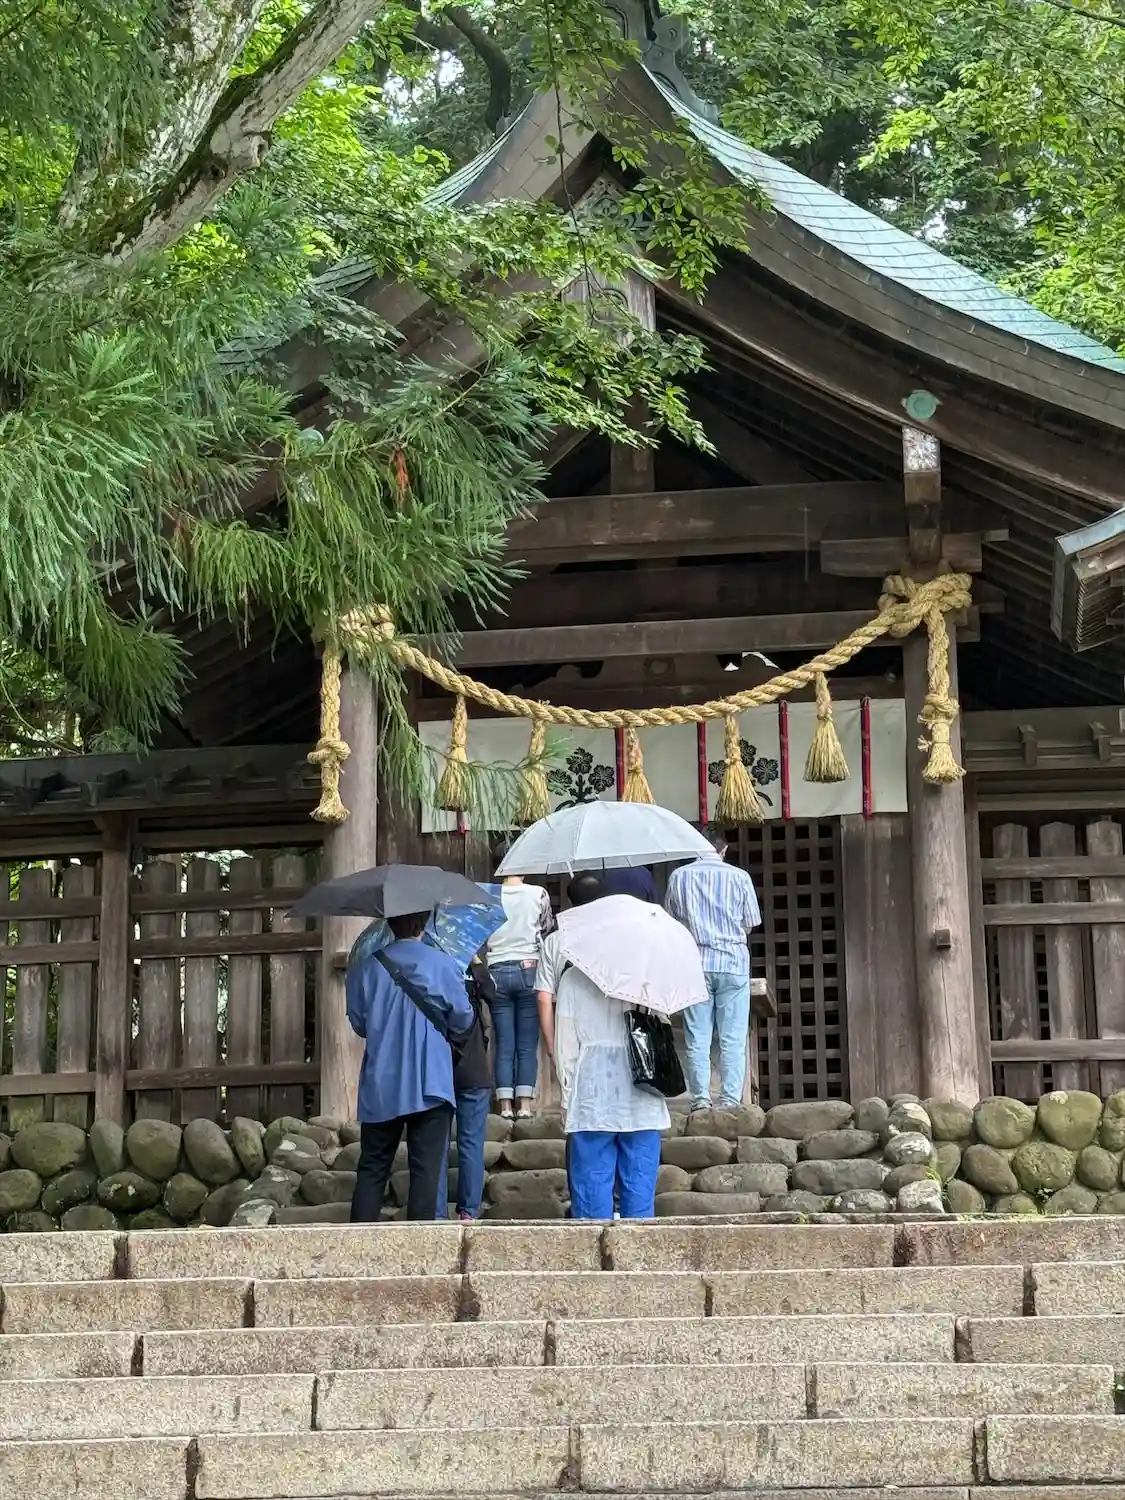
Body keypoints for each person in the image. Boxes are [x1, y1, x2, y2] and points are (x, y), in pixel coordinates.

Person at [537, 872, 668, 1219]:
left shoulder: (573, 979)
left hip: (591, 1090)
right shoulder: (646, 974)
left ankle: (592, 1247)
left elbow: (566, 1046)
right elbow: (662, 1029)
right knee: (639, 1191)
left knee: (591, 1192)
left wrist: (566, 1095)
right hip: (642, 1088)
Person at [347, 909, 474, 1221]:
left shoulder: (367, 968)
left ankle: (356, 1240)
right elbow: (463, 1018)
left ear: (390, 924)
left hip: (381, 1080)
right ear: (425, 923)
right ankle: (419, 1242)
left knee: (373, 1166)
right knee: (426, 1169)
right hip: (431, 1079)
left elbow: (359, 1024)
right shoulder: (442, 963)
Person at [664, 823, 762, 1113]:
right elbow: (751, 922)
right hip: (732, 961)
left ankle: (700, 1101)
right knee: (733, 1037)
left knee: (697, 1036)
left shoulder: (679, 876)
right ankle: (731, 1100)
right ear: (724, 849)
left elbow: (673, 922)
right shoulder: (740, 877)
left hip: (695, 963)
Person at [485, 842, 553, 1120]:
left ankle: (504, 1106)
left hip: (496, 969)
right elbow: (547, 929)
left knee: (504, 1042)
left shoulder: (485, 894)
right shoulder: (538, 893)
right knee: (527, 1042)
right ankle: (524, 1105)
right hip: (529, 968)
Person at [435, 951, 494, 1221]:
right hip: (473, 1065)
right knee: (471, 1142)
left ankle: (437, 1214)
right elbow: (493, 994)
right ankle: (468, 1211)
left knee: (436, 1144)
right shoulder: (470, 971)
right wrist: (476, 961)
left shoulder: (429, 970)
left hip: (438, 1068)